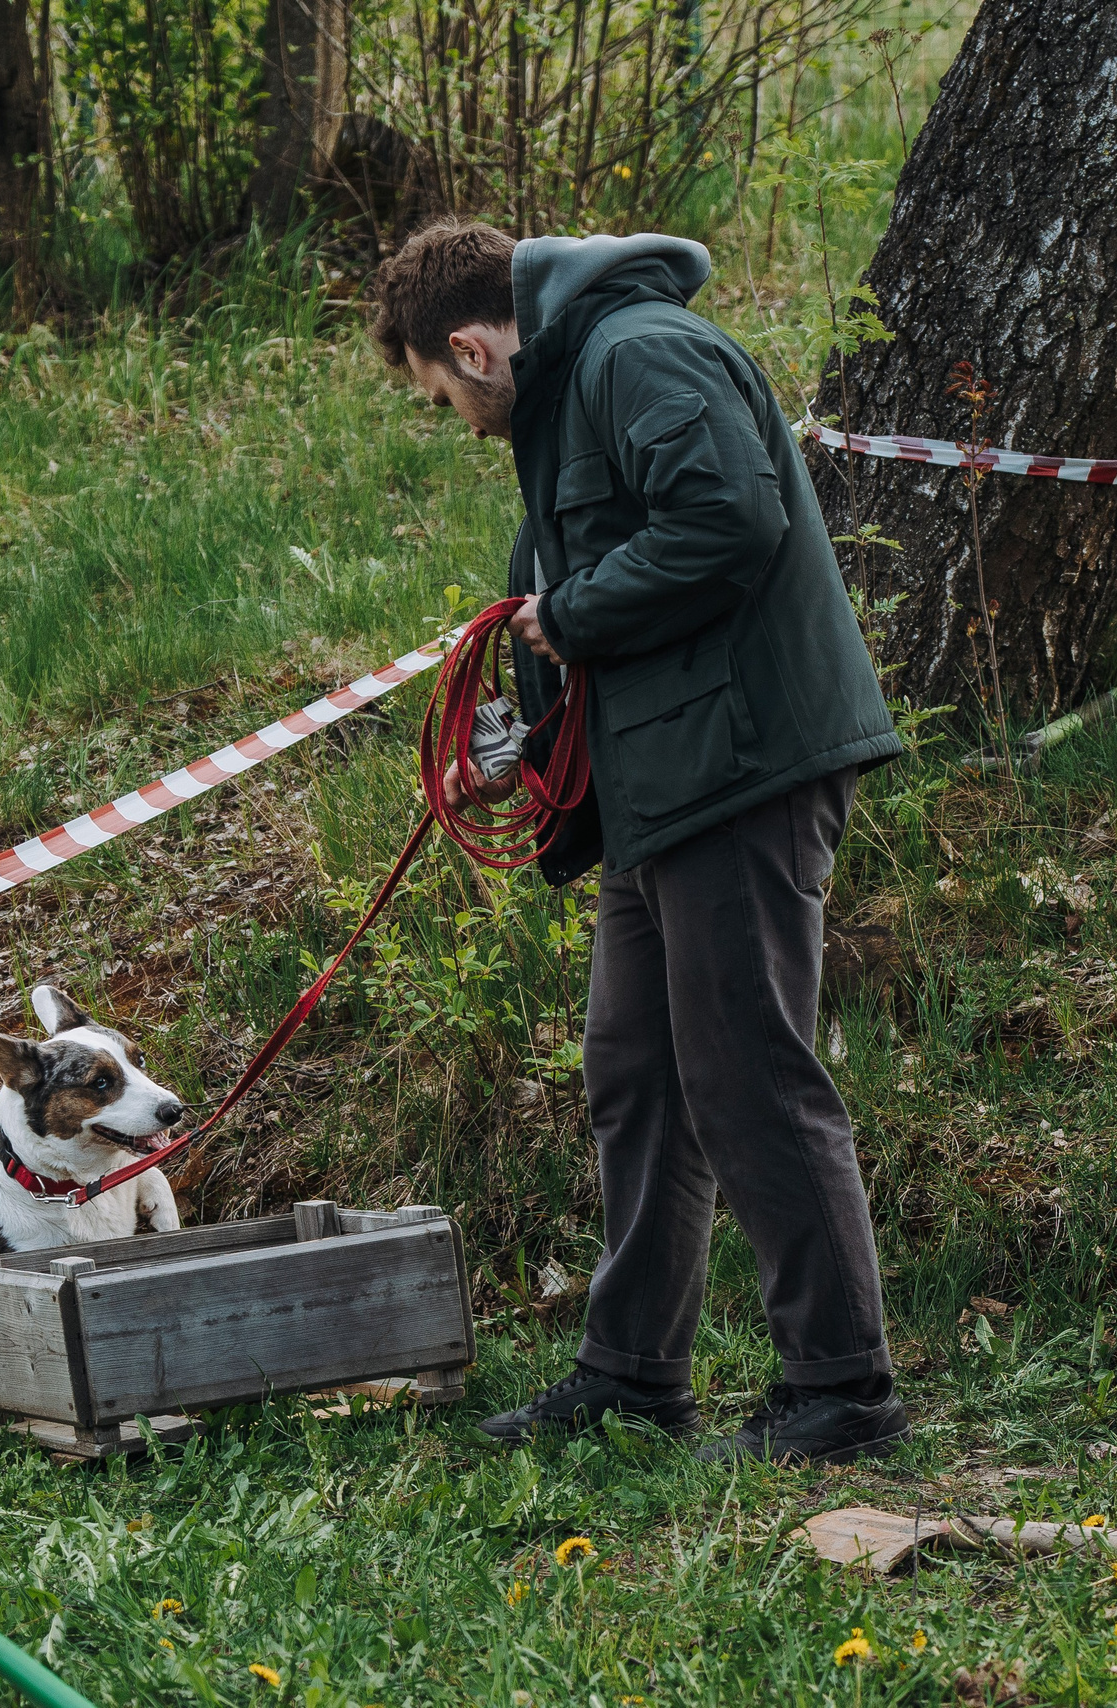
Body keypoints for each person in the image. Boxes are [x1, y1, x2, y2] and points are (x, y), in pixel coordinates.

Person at [365, 221, 908, 1465]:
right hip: (660, 788)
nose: (451, 416)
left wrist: (574, 614)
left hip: (741, 767)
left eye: (437, 392)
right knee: (638, 1075)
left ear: (469, 346)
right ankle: (630, 1375)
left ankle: (841, 1391)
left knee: (747, 1074)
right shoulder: (566, 390)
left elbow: (727, 519)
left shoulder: (638, 352)